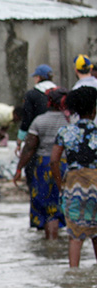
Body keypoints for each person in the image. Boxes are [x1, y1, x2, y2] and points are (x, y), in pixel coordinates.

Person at [14, 87, 69, 239]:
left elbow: (29, 147)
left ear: (48, 102)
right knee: (62, 204)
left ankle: (50, 243)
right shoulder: (70, 121)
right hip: (64, 166)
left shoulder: (39, 121)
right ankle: (60, 244)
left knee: (46, 204)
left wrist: (19, 169)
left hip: (44, 166)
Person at [51, 87, 97, 267]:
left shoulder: (65, 132)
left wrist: (60, 183)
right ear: (94, 110)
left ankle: (74, 280)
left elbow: (54, 161)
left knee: (75, 235)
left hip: (75, 183)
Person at [18, 64, 58, 150]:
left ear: (39, 77)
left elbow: (27, 117)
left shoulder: (31, 94)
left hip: (38, 136)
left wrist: (20, 138)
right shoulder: (58, 93)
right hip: (56, 136)